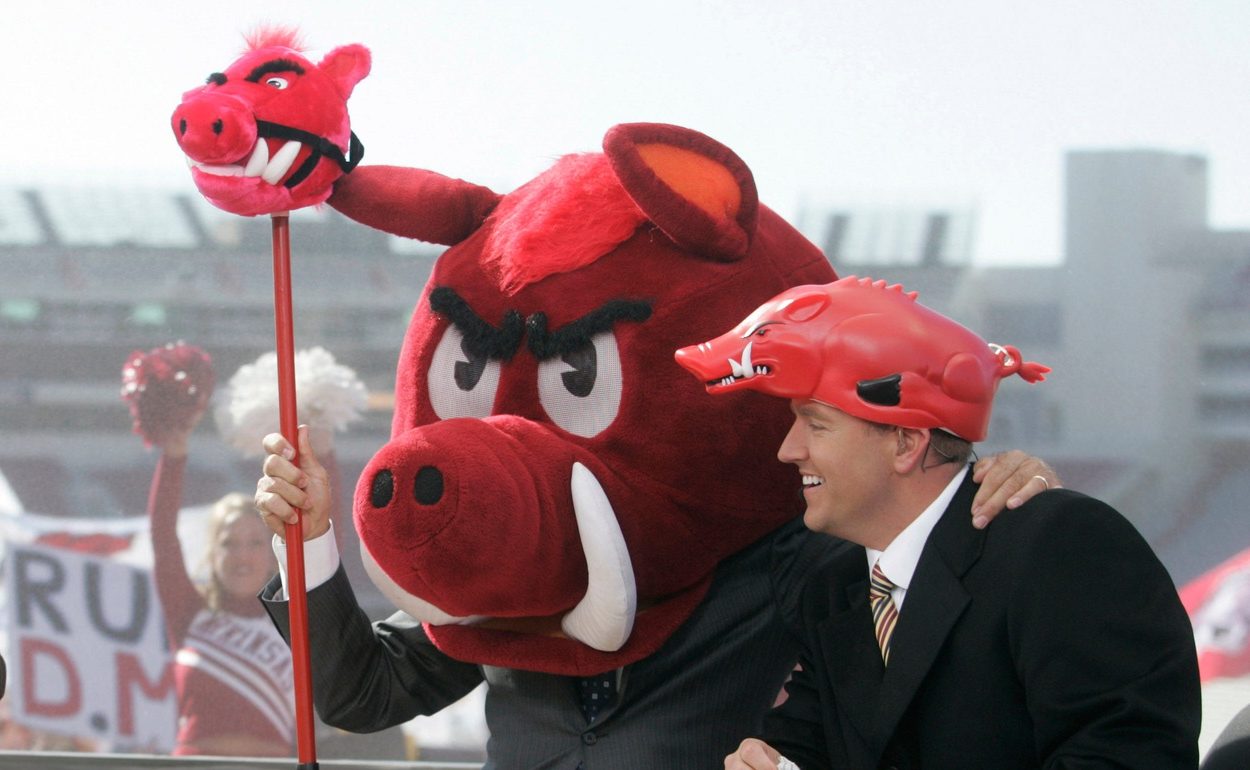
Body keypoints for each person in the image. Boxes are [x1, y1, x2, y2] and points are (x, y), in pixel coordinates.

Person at [255, 434, 1055, 768]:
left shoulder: (764, 559)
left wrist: (987, 489)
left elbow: (910, 552)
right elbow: (362, 693)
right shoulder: (505, 575)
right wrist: (310, 541)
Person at [694, 278, 1202, 769]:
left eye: (816, 424)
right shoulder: (831, 585)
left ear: (906, 443)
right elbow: (806, 744)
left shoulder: (1063, 544)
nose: (789, 450)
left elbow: (1127, 752)